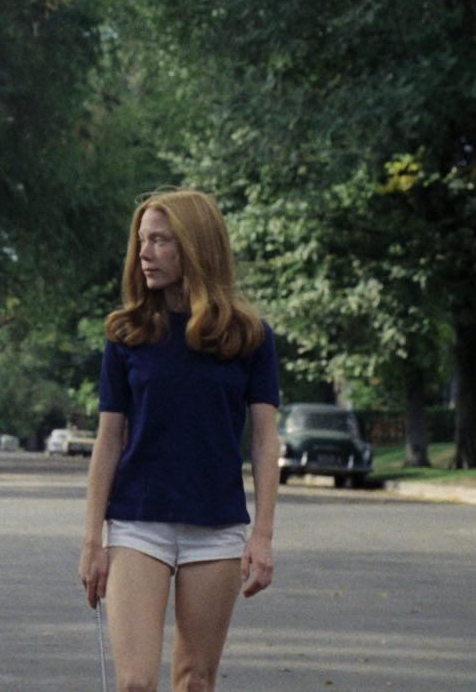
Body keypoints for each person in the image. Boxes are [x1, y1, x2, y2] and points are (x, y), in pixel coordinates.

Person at [77, 189, 279, 692]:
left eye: (160, 241)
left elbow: (263, 441)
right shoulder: (126, 335)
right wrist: (92, 541)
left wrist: (263, 536)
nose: (144, 253)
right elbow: (108, 441)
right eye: (142, 241)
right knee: (137, 682)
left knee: (194, 681)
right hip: (137, 525)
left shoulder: (249, 336)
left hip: (216, 529)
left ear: (195, 246)